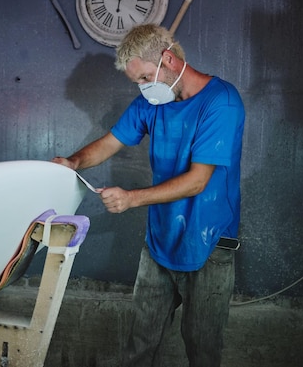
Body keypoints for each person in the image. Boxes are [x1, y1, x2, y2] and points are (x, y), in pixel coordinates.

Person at [52, 24, 245, 367]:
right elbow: (111, 142)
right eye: (137, 82)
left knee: (202, 350)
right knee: (139, 344)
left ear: (168, 60)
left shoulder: (222, 102)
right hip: (160, 239)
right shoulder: (152, 103)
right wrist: (73, 161)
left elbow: (197, 182)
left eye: (144, 78)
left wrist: (130, 199)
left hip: (209, 243)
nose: (142, 88)